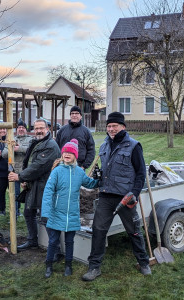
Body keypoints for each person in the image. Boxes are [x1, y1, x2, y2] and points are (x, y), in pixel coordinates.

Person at [82, 112, 151, 281]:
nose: (111, 129)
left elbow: (141, 174)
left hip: (124, 196)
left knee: (134, 231)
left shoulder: (134, 146)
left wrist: (133, 194)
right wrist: (99, 176)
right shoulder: (105, 145)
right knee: (98, 230)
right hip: (105, 195)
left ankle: (143, 262)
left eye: (115, 126)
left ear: (123, 127)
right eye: (109, 126)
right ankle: (94, 267)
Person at [41, 139, 98, 278]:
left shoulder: (79, 172)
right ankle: (49, 265)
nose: (67, 154)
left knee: (69, 241)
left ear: (75, 156)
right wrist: (46, 212)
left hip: (72, 213)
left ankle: (68, 265)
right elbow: (48, 191)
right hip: (56, 212)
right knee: (53, 240)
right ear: (62, 154)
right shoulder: (57, 171)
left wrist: (97, 179)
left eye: (70, 152)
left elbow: (89, 184)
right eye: (65, 151)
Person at [8, 119, 60, 250]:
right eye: (36, 128)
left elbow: (38, 166)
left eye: (41, 128)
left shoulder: (51, 146)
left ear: (48, 129)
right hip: (34, 184)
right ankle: (32, 240)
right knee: (28, 212)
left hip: (45, 186)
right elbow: (28, 162)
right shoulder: (35, 142)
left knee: (46, 218)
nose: (39, 131)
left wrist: (20, 176)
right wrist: (26, 180)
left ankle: (56, 249)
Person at [3, 120, 32, 217]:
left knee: (29, 194)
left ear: (26, 129)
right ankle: (15, 213)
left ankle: (28, 214)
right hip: (14, 172)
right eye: (19, 127)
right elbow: (4, 154)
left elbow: (31, 151)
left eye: (23, 127)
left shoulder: (30, 140)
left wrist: (19, 149)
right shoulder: (12, 139)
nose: (21, 129)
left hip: (27, 172)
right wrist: (11, 149)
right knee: (14, 194)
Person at [55, 106, 96, 170]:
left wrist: (84, 166)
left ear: (81, 116)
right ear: (70, 115)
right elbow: (56, 148)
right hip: (63, 166)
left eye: (76, 113)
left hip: (79, 166)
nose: (74, 115)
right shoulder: (62, 130)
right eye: (72, 113)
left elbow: (91, 150)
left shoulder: (86, 131)